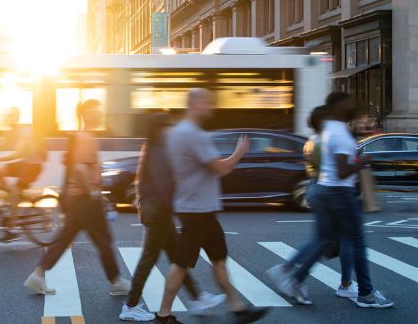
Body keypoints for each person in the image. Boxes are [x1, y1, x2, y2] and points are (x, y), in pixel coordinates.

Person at [269, 92, 394, 308]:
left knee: (324, 240)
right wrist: (362, 160)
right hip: (340, 192)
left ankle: (295, 278)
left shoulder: (329, 130)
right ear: (338, 107)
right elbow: (343, 171)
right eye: (349, 103)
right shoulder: (340, 134)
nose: (353, 106)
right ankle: (365, 294)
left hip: (324, 189)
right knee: (355, 242)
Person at [155, 88, 269, 324]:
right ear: (195, 104)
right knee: (181, 264)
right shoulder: (193, 134)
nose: (212, 107)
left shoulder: (177, 132)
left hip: (199, 208)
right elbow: (222, 168)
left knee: (218, 259)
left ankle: (238, 309)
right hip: (196, 210)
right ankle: (163, 314)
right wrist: (239, 152)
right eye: (208, 102)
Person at [119, 113, 226, 322]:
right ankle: (130, 305)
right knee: (149, 259)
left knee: (178, 257)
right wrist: (181, 208)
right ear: (159, 128)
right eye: (167, 126)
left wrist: (143, 206)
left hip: (158, 212)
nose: (170, 129)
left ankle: (198, 297)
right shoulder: (159, 150)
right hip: (159, 213)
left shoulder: (152, 146)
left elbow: (142, 181)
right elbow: (163, 186)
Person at [24, 99, 131, 296]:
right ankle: (116, 281)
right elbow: (81, 168)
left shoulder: (81, 136)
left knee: (64, 239)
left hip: (77, 199)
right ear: (85, 115)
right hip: (85, 200)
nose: (98, 115)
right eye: (94, 112)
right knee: (104, 240)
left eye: (99, 111)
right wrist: (93, 192)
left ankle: (37, 275)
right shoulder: (86, 138)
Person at [267, 106, 356, 303]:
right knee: (335, 239)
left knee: (322, 239)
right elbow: (337, 170)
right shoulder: (326, 141)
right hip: (331, 191)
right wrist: (357, 162)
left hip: (317, 188)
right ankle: (342, 284)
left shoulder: (312, 140)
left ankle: (288, 270)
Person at [0, 107, 46, 241]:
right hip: (25, 163)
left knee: (14, 192)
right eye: (7, 116)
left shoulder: (25, 131)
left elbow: (20, 153)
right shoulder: (12, 131)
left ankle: (12, 229)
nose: (8, 119)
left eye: (11, 116)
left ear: (17, 117)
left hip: (33, 166)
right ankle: (12, 197)